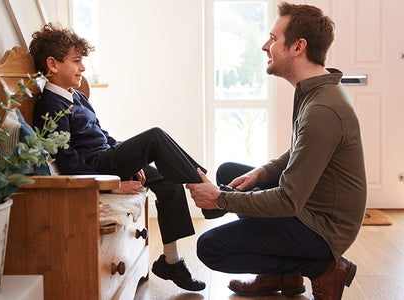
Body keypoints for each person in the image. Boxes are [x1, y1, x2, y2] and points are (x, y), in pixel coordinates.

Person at [186, 2, 367, 300]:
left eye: (272, 38)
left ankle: (322, 267)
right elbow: (300, 150)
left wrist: (221, 200)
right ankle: (283, 276)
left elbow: (288, 201)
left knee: (210, 249)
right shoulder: (317, 89)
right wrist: (264, 172)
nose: (264, 46)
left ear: (298, 47)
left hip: (323, 229)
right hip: (312, 207)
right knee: (231, 172)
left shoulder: (322, 108)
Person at [29, 23, 207, 291]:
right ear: (52, 65)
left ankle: (171, 261)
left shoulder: (75, 96)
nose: (83, 69)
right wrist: (111, 182)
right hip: (97, 169)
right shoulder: (49, 106)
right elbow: (66, 160)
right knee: (154, 136)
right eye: (76, 62)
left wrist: (131, 162)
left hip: (107, 158)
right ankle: (206, 187)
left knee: (168, 181)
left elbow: (102, 133)